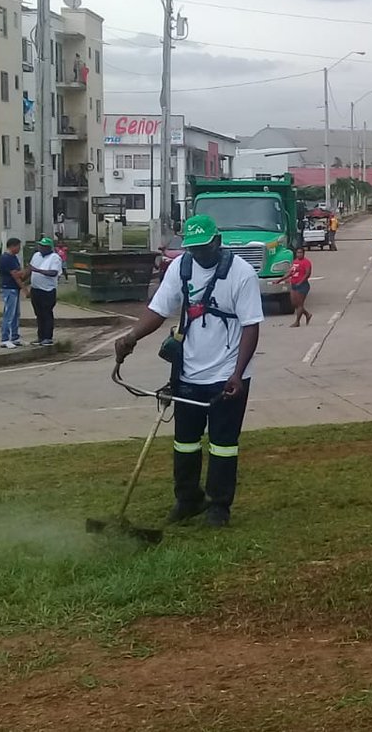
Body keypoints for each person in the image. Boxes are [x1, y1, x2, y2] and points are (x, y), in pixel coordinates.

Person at [114, 215, 263, 528]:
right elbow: (158, 310)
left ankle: (219, 506)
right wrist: (131, 337)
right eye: (193, 249)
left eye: (204, 248)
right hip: (187, 374)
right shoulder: (181, 267)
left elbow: (251, 326)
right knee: (185, 441)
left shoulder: (241, 274)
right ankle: (188, 499)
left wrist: (238, 374)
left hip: (227, 375)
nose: (199, 255)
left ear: (218, 242)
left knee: (223, 443)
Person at [26, 237, 64, 346]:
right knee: (38, 314)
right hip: (35, 289)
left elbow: (53, 272)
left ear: (48, 248)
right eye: (40, 245)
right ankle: (40, 336)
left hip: (47, 290)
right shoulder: (36, 256)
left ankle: (48, 337)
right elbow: (30, 269)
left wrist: (37, 270)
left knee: (46, 313)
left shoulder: (54, 258)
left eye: (43, 246)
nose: (40, 248)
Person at [0, 238, 25, 349]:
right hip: (9, 288)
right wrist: (24, 288)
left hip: (14, 288)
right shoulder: (6, 258)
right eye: (18, 246)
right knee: (9, 313)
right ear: (12, 246)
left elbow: (19, 273)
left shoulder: (14, 258)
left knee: (15, 314)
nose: (19, 249)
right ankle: (5, 339)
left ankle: (15, 337)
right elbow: (16, 275)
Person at [284, 246, 314, 327]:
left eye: (300, 252)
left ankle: (297, 322)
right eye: (297, 253)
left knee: (300, 304)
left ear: (304, 253)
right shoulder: (295, 262)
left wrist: (300, 282)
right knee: (294, 304)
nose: (299, 254)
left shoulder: (306, 262)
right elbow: (291, 273)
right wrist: (281, 280)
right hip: (294, 285)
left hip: (302, 286)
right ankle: (307, 314)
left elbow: (307, 273)